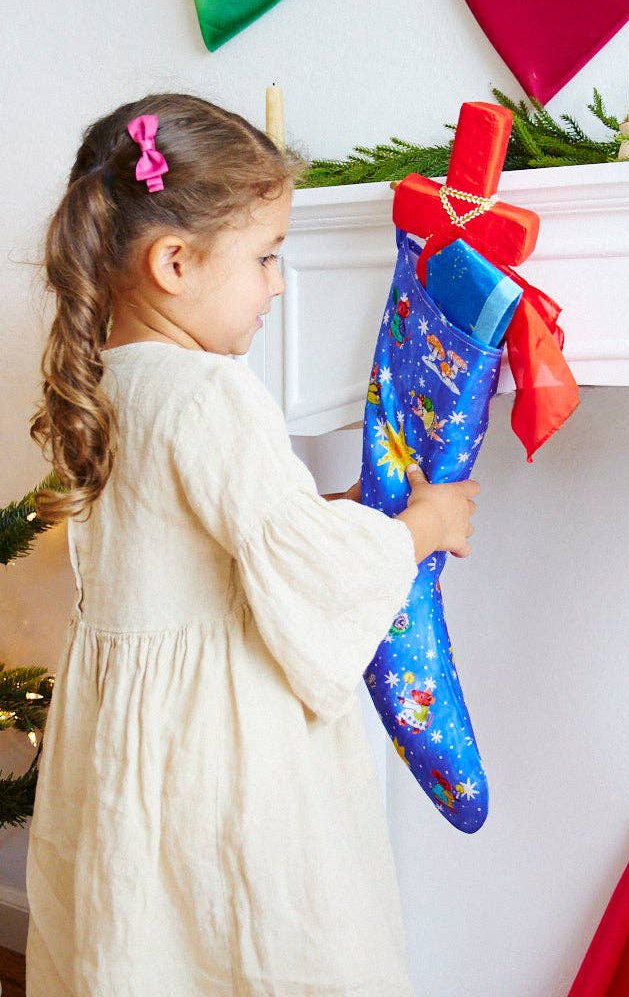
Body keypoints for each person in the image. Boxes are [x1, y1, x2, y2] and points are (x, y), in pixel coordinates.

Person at [25, 93, 478, 996]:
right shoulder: (210, 392)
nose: (277, 283)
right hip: (217, 752)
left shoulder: (108, 379)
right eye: (267, 257)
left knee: (143, 940)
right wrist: (428, 522)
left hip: (127, 742)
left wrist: (335, 505)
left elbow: (226, 535)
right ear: (175, 262)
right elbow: (308, 570)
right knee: (250, 940)